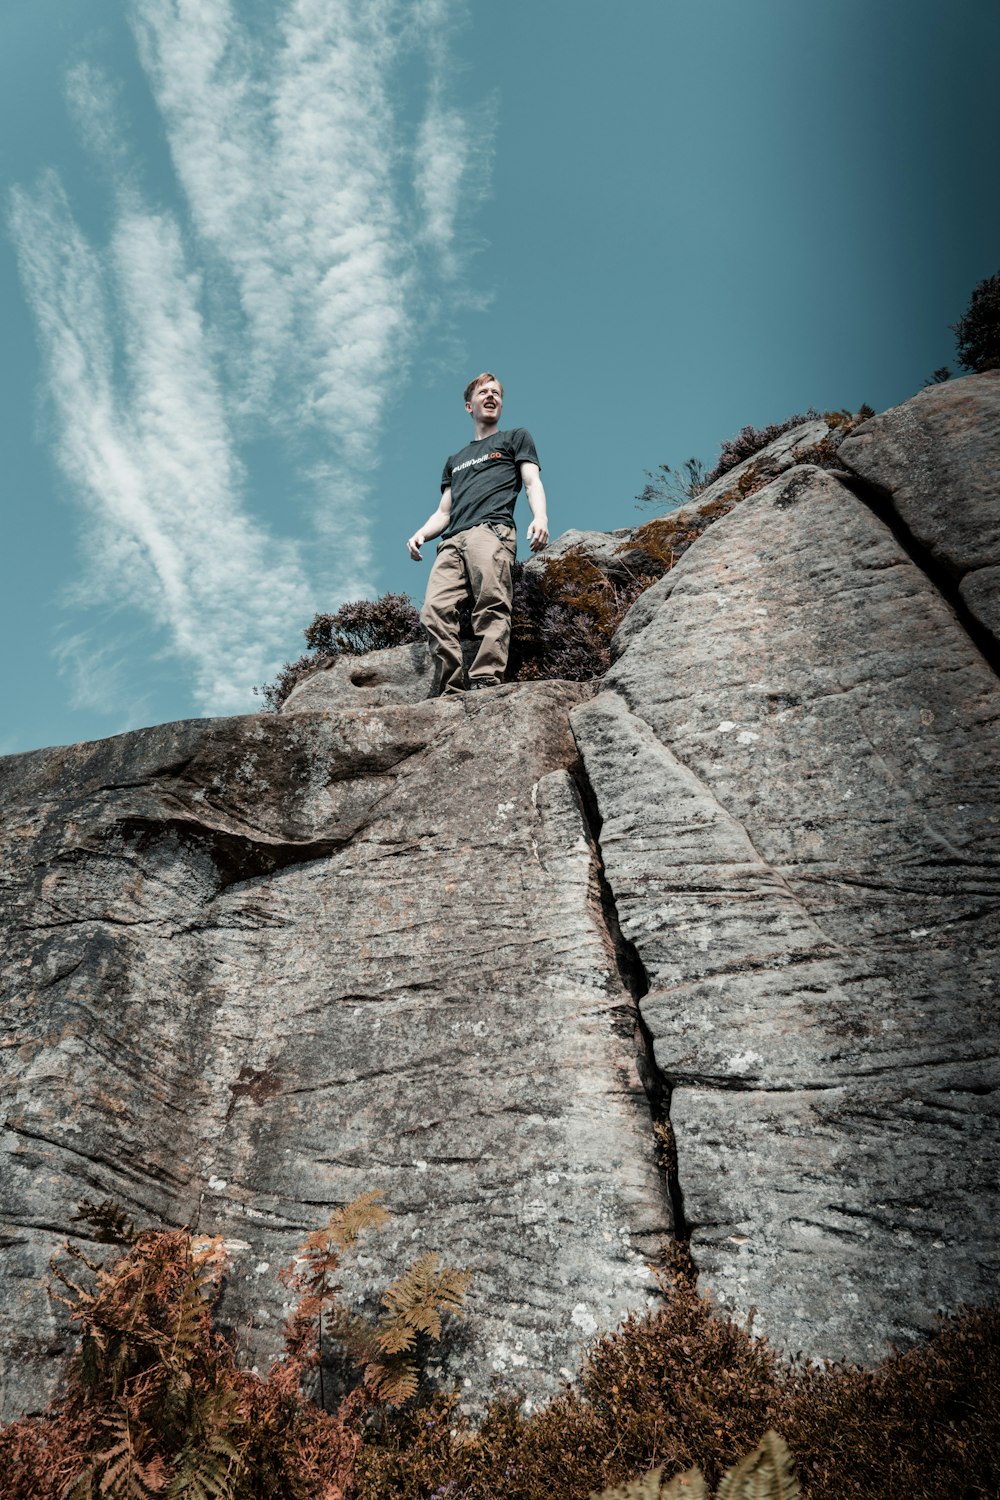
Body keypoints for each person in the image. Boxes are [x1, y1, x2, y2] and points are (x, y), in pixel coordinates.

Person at [406, 373, 549, 695]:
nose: (491, 396)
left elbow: (531, 482)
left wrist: (540, 517)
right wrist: (421, 534)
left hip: (491, 531)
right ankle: (451, 688)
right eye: (484, 392)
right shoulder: (454, 461)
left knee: (491, 604)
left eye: (496, 392)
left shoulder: (515, 438)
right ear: (469, 405)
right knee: (433, 611)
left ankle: (486, 679)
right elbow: (443, 512)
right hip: (451, 541)